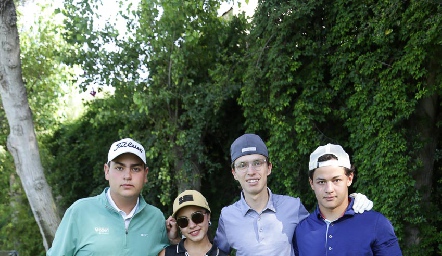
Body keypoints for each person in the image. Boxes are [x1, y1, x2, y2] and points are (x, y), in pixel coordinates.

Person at [213, 134, 374, 256]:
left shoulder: (293, 206)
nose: (251, 171)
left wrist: (351, 202)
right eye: (242, 165)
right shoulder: (227, 216)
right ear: (234, 173)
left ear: (269, 167)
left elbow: (325, 225)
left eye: (257, 163)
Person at [47, 138, 169, 256]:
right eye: (119, 168)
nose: (127, 176)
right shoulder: (80, 211)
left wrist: (175, 241)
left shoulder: (156, 218)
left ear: (145, 174)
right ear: (107, 171)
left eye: (135, 169)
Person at [293, 143, 402, 255]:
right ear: (311, 183)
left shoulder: (376, 223)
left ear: (349, 179)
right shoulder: (301, 230)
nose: (329, 189)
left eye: (336, 180)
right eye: (321, 182)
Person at [159, 190, 228, 256]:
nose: (191, 225)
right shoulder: (166, 254)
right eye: (183, 221)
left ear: (208, 216)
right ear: (178, 225)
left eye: (197, 217)